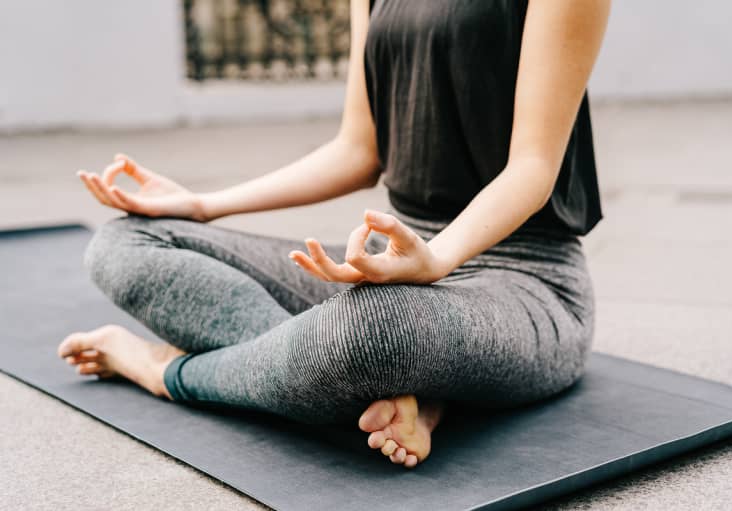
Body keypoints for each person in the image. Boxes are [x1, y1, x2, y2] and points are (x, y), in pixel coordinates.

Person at [57, 0, 610, 469]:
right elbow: (357, 150)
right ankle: (402, 390)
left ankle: (166, 372)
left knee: (370, 334)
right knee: (125, 244)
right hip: (395, 269)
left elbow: (533, 168)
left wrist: (436, 260)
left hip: (523, 281)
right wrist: (200, 206)